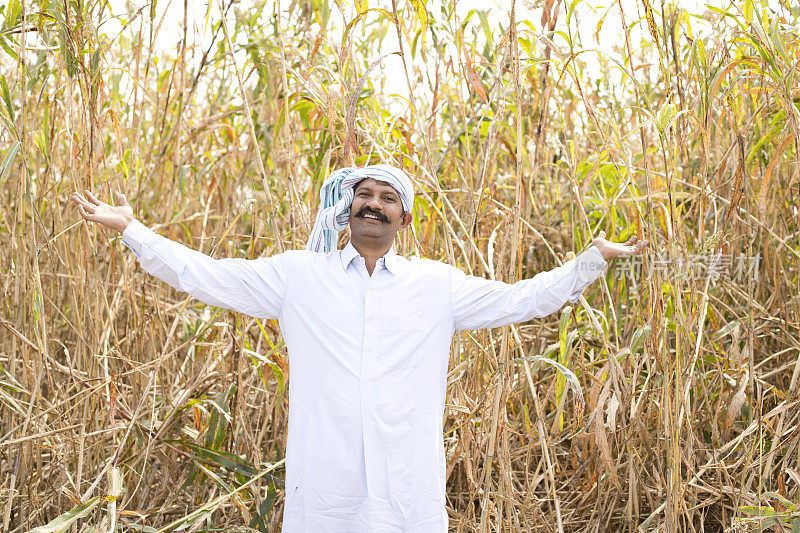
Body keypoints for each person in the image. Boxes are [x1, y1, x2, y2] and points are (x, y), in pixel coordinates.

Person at [70, 164, 647, 532]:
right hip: (325, 490)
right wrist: (133, 231)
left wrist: (591, 260)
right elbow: (209, 275)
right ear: (348, 211)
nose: (373, 203)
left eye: (387, 197)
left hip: (407, 495)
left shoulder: (438, 285)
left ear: (405, 216)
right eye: (363, 195)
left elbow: (526, 298)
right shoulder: (298, 275)